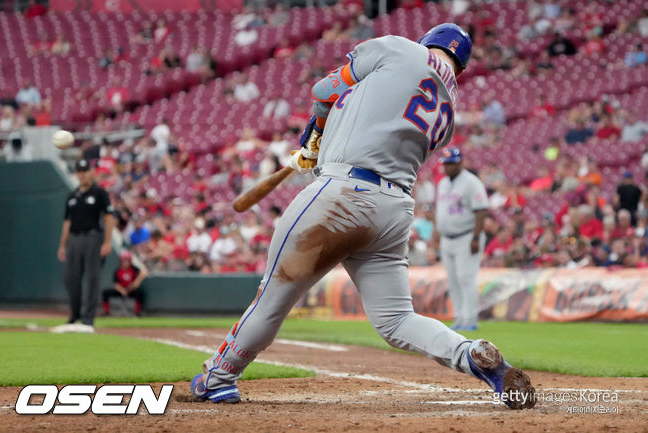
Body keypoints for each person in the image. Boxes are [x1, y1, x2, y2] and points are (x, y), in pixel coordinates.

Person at [190, 24, 535, 410]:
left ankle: (219, 377)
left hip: (342, 195)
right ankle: (468, 353)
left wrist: (315, 135)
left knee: (272, 298)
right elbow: (377, 118)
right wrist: (322, 142)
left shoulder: (398, 48)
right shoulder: (449, 110)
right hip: (393, 210)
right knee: (397, 320)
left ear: (428, 42)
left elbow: (323, 91)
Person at [55, 159, 115, 333]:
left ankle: (88, 318)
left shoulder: (99, 193)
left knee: (91, 278)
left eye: (84, 171)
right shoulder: (72, 196)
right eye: (79, 171)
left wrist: (108, 241)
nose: (82, 174)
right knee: (71, 278)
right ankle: (74, 315)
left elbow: (109, 218)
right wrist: (62, 245)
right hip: (74, 239)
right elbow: (67, 222)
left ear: (90, 172)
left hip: (93, 237)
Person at [433, 147, 488, 331]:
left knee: (466, 278)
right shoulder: (442, 183)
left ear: (460, 163)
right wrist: (436, 234)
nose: (447, 167)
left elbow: (481, 210)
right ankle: (459, 317)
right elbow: (440, 211)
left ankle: (470, 319)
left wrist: (476, 238)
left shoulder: (471, 182)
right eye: (445, 164)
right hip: (447, 238)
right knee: (453, 279)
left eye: (451, 163)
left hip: (466, 236)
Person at [102, 250, 147, 317]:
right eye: (123, 260)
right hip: (121, 290)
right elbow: (116, 284)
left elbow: (144, 272)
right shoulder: (118, 270)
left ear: (130, 261)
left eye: (126, 260)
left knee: (140, 292)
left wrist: (136, 282)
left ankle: (137, 313)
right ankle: (106, 312)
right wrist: (122, 290)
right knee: (105, 292)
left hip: (131, 289)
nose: (125, 262)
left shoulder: (133, 269)